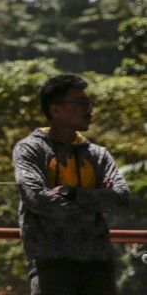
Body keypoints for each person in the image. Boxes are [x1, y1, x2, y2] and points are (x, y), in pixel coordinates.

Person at [12, 73, 129, 295]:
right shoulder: (30, 150)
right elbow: (37, 200)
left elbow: (121, 199)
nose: (89, 108)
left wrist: (71, 193)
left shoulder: (98, 154)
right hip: (50, 263)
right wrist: (95, 204)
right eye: (81, 102)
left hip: (99, 263)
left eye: (89, 102)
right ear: (56, 110)